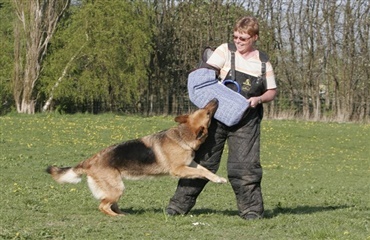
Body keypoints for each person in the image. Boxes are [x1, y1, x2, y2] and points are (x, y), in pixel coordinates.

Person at [166, 16, 277, 220]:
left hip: (247, 120)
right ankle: (178, 205)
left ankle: (251, 210)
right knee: (203, 161)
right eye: (235, 36)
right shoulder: (225, 51)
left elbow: (271, 91)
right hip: (217, 118)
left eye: (243, 38)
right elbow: (205, 76)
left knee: (245, 166)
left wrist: (258, 99)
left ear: (254, 38)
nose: (238, 41)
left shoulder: (263, 62)